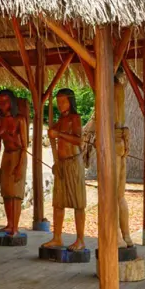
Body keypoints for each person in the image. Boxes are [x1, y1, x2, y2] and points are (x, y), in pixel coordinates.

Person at [83, 70, 133, 247]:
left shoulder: (108, 89)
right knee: (119, 195)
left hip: (111, 143)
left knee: (110, 195)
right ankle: (126, 236)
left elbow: (101, 118)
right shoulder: (119, 88)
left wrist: (92, 137)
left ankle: (117, 238)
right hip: (119, 142)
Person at [42, 88, 87, 251]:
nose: (60, 105)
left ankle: (80, 239)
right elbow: (54, 134)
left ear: (70, 101)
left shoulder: (75, 118)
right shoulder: (60, 119)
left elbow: (78, 140)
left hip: (74, 164)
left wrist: (58, 134)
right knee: (58, 203)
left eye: (63, 101)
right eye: (58, 102)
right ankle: (57, 237)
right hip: (61, 164)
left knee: (78, 203)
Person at [0, 89, 28, 236]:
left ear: (11, 102)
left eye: (5, 101)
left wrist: (20, 166)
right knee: (6, 191)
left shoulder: (20, 120)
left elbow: (25, 146)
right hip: (6, 156)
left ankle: (15, 227)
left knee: (16, 193)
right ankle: (9, 224)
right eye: (0, 101)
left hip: (18, 155)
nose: (2, 104)